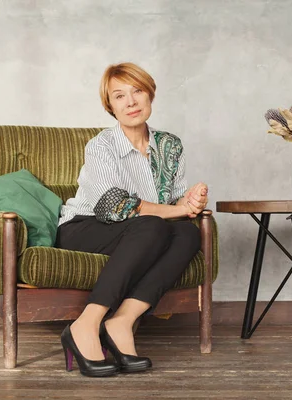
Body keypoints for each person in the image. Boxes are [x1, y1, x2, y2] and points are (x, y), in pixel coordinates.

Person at [55, 62, 209, 377]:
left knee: (187, 234)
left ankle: (122, 320)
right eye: (120, 96)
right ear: (110, 105)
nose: (131, 102)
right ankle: (85, 324)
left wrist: (190, 201)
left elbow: (171, 202)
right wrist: (174, 210)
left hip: (138, 230)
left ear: (150, 94)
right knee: (153, 223)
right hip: (83, 226)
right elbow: (113, 206)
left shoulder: (169, 145)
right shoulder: (102, 145)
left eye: (137, 91)